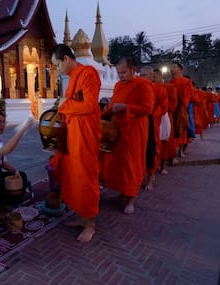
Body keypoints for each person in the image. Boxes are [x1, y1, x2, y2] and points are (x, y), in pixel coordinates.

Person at [49, 43, 101, 242]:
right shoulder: (72, 79)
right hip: (73, 135)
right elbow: (71, 106)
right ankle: (82, 217)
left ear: (66, 59)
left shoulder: (89, 74)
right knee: (74, 177)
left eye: (56, 65)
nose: (57, 69)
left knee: (86, 179)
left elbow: (89, 105)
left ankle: (91, 225)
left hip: (86, 136)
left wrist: (64, 104)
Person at [101, 57, 154, 214]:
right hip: (118, 129)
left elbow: (147, 109)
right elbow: (112, 106)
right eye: (118, 73)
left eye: (124, 72)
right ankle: (122, 192)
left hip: (135, 131)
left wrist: (126, 107)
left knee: (133, 164)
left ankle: (131, 199)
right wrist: (101, 114)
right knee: (120, 164)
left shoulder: (144, 85)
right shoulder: (118, 85)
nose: (121, 76)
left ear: (133, 69)